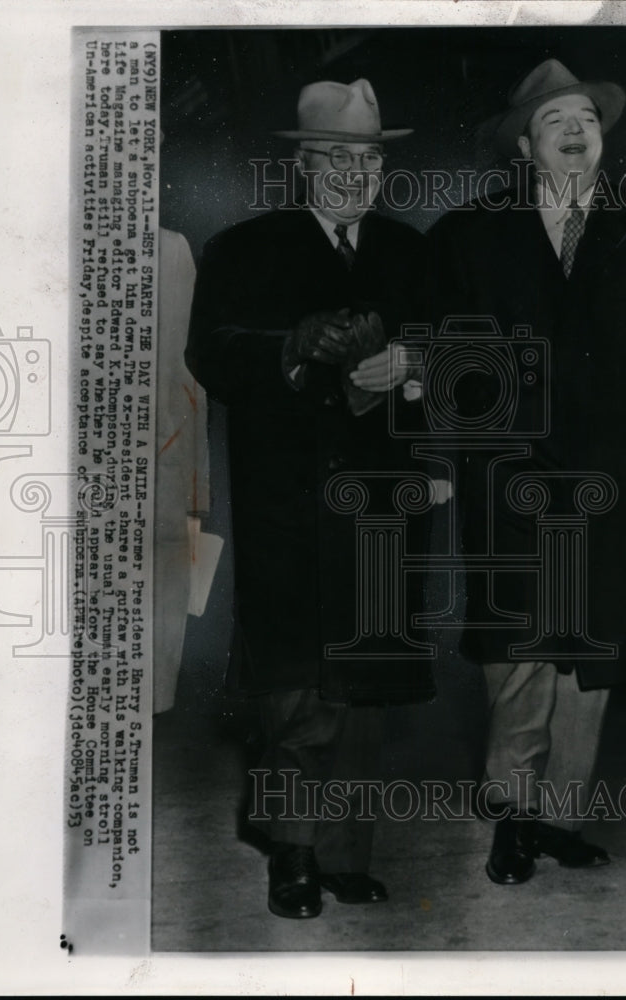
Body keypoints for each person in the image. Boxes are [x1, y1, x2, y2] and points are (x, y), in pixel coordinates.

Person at [428, 59, 626, 884]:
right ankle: (511, 816)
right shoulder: (468, 236)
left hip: (614, 467)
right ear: (523, 145)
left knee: (592, 647)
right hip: (511, 471)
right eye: (553, 119)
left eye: (584, 117)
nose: (572, 129)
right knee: (521, 646)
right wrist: (452, 457)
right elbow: (449, 355)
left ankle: (559, 818)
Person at [185, 79, 434, 918]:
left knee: (360, 688)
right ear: (299, 163)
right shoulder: (241, 249)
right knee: (294, 685)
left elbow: (463, 350)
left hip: (380, 509)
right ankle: (291, 853)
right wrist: (291, 349)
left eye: (367, 157)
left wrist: (410, 367)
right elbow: (211, 353)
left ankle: (341, 853)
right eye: (334, 156)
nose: (352, 172)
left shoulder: (411, 252)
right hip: (287, 505)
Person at [153, 226, 210, 715]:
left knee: (166, 577)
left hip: (164, 448)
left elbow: (191, 366)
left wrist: (197, 483)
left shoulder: (171, 249)